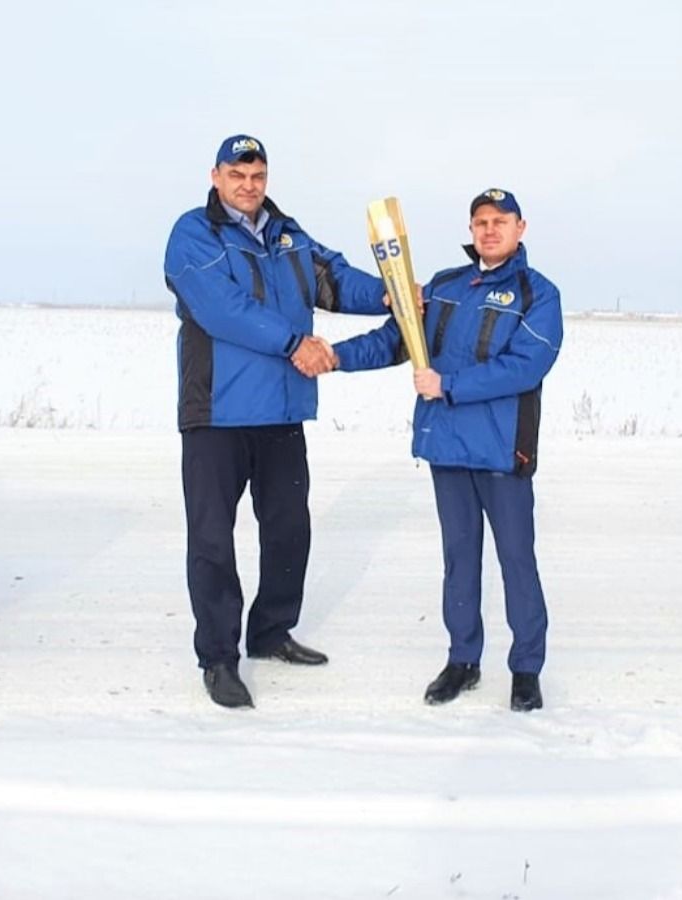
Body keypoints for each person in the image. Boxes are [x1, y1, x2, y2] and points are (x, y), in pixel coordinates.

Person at [162, 134, 392, 709]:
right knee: (212, 539)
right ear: (216, 176)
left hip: (283, 410)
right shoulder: (194, 233)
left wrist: (393, 295)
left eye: (257, 175)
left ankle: (270, 632)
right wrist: (295, 341)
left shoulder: (287, 235)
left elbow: (334, 280)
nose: (248, 185)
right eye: (237, 175)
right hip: (217, 411)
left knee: (289, 528)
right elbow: (220, 308)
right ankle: (219, 657)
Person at [330, 188, 562, 712]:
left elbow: (526, 365)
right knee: (459, 560)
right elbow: (398, 341)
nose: (489, 230)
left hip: (504, 452)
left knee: (516, 561)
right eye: (480, 221)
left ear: (520, 228)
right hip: (449, 448)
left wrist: (448, 386)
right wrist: (334, 357)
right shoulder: (444, 287)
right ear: (471, 228)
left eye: (500, 221)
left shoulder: (538, 295)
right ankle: (463, 660)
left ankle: (526, 669)